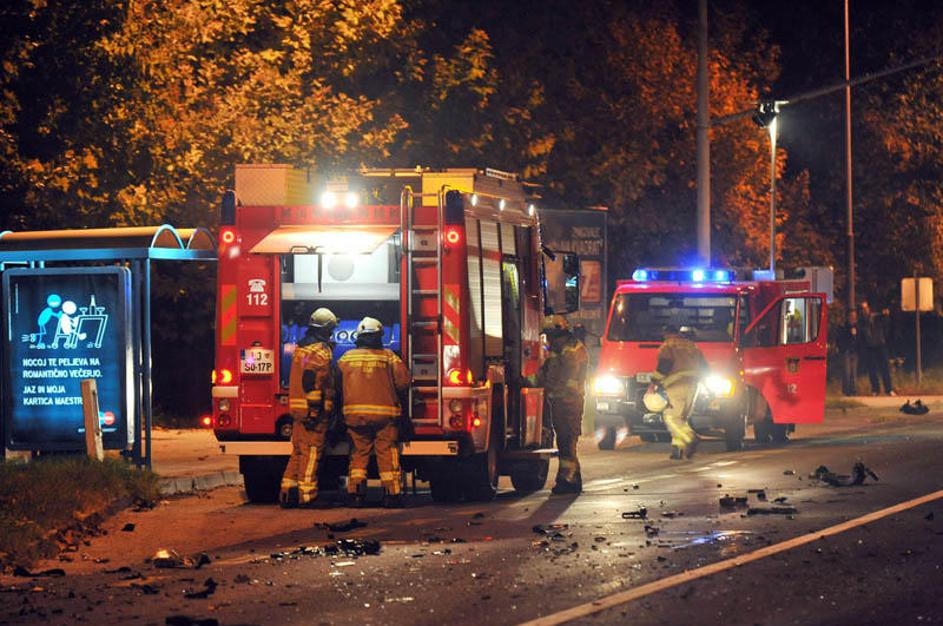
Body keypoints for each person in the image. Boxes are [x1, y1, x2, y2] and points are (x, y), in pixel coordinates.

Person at [338, 317, 410, 507]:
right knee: (387, 453)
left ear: (359, 336)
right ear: (379, 336)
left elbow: (335, 384)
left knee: (358, 454)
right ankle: (391, 495)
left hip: (355, 416)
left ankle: (356, 494)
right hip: (385, 417)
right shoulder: (389, 357)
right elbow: (403, 383)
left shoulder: (346, 358)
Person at [280, 307, 338, 508]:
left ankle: (288, 492)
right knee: (312, 452)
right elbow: (312, 381)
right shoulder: (320, 351)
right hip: (313, 412)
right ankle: (307, 496)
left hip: (298, 410)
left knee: (298, 452)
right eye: (331, 329)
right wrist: (314, 411)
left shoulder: (301, 348)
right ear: (326, 329)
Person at [528, 315, 589, 494]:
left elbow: (568, 376)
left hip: (568, 402)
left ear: (557, 332)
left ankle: (568, 480)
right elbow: (548, 372)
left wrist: (556, 392)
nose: (548, 338)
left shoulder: (569, 349)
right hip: (562, 400)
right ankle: (571, 478)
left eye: (549, 334)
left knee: (566, 440)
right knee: (565, 441)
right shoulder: (560, 347)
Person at [651, 324, 707, 460]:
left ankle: (690, 438)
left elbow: (664, 366)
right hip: (693, 386)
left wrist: (654, 382)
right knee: (681, 418)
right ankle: (677, 449)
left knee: (671, 417)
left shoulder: (668, 346)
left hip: (676, 385)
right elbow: (705, 367)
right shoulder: (692, 346)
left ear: (666, 334)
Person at [857, 300, 895, 396]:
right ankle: (875, 389)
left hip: (880, 345)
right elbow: (861, 334)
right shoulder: (861, 321)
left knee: (884, 368)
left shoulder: (876, 317)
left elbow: (886, 324)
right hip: (869, 347)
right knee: (872, 369)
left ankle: (889, 389)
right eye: (862, 309)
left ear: (868, 308)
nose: (864, 310)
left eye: (865, 308)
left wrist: (886, 316)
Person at [836, 309, 859, 396]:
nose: (853, 318)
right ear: (848, 317)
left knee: (854, 372)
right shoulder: (843, 326)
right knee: (847, 371)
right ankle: (847, 391)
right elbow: (840, 338)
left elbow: (858, 338)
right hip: (846, 351)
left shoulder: (857, 327)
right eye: (851, 316)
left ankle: (854, 391)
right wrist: (842, 348)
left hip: (854, 351)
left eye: (854, 316)